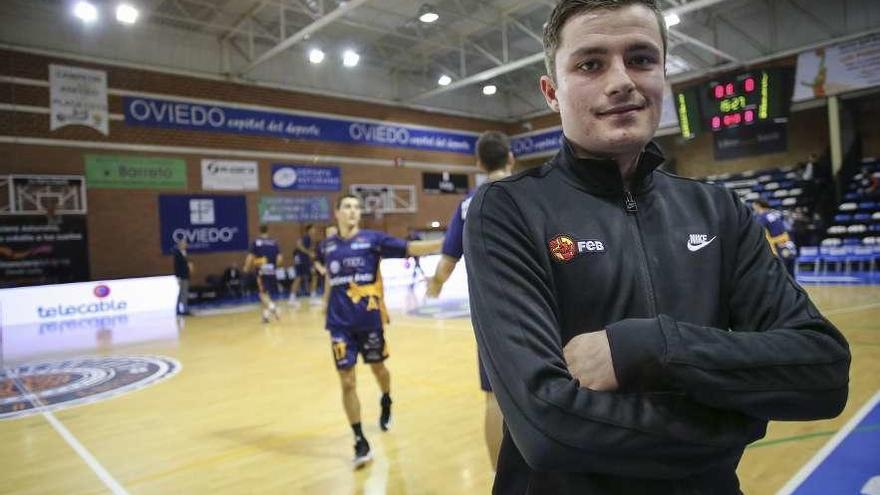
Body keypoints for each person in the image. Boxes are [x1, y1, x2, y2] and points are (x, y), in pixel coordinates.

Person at [463, 2, 851, 494]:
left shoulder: (718, 212)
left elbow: (823, 370)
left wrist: (652, 347)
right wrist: (732, 426)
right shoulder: (508, 210)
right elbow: (545, 426)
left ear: (662, 77)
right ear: (551, 92)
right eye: (590, 64)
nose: (621, 80)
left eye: (642, 59)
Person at [322, 194, 442, 468]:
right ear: (337, 212)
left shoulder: (373, 240)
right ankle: (359, 439)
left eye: (356, 207)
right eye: (347, 207)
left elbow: (411, 248)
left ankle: (386, 398)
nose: (353, 212)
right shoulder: (327, 246)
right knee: (347, 381)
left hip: (369, 321)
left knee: (379, 369)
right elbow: (330, 279)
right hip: (339, 325)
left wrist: (448, 244)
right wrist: (325, 304)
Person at [426, 130, 515, 471]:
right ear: (510, 157)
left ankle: (499, 478)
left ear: (478, 163)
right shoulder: (533, 192)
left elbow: (447, 262)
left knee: (494, 398)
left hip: (492, 315)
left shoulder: (467, 205)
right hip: (543, 309)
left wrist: (435, 283)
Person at [243, 224, 282, 323]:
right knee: (266, 294)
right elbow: (280, 258)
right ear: (267, 230)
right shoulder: (274, 242)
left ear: (259, 231)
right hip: (272, 270)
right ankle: (265, 317)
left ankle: (274, 308)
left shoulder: (256, 242)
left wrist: (246, 268)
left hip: (261, 270)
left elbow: (250, 257)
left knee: (262, 294)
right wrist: (274, 267)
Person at [752, 199, 798, 277]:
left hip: (776, 245)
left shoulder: (762, 217)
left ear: (758, 205)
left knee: (779, 273)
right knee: (790, 273)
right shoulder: (776, 213)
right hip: (788, 243)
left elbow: (757, 233)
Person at [292, 224, 317, 301]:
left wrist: (311, 252)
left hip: (303, 260)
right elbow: (298, 245)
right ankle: (313, 296)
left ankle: (292, 297)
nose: (314, 230)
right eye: (313, 229)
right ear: (309, 230)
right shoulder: (306, 237)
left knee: (299, 277)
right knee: (314, 275)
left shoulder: (310, 239)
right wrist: (309, 253)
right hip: (302, 260)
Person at [314, 224, 338, 296]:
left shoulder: (343, 243)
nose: (331, 235)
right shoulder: (321, 245)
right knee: (328, 296)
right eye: (329, 233)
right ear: (326, 234)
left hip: (341, 276)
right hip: (327, 277)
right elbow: (316, 260)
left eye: (334, 233)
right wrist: (321, 269)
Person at [172, 239, 193, 315]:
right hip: (182, 276)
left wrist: (189, 267)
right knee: (183, 293)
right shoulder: (177, 254)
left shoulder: (184, 252)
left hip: (186, 275)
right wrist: (178, 277)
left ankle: (178, 309)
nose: (186, 245)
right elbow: (176, 267)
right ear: (180, 245)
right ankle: (184, 310)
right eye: (184, 244)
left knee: (182, 293)